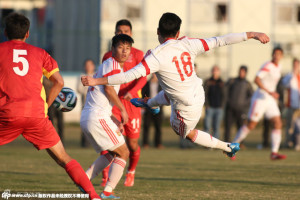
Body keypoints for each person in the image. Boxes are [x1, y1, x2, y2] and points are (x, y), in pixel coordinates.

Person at [82, 12, 270, 161]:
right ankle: (151, 103)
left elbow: (128, 76)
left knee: (185, 132)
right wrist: (253, 34)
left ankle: (228, 147)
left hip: (185, 108)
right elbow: (222, 40)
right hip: (198, 92)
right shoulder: (188, 43)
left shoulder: (155, 56)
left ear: (158, 32)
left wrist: (96, 80)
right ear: (178, 33)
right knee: (171, 90)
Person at [0, 13, 101, 200]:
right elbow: (59, 82)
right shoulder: (40, 53)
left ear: (5, 32)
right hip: (37, 115)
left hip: (8, 114)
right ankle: (93, 195)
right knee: (63, 157)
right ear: (28, 33)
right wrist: (45, 107)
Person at [80, 34, 133, 199]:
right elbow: (109, 90)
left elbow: (101, 97)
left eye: (127, 48)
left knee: (112, 153)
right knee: (124, 152)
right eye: (120, 47)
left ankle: (84, 181)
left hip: (90, 116)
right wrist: (122, 110)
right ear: (112, 49)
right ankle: (107, 192)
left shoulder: (107, 64)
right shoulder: (114, 65)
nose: (124, 51)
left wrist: (114, 118)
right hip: (96, 117)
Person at [100, 19, 146, 187]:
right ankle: (105, 177)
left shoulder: (139, 54)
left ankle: (131, 171)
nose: (122, 33)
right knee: (110, 139)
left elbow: (143, 77)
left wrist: (132, 92)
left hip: (132, 104)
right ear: (115, 33)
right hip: (114, 103)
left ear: (131, 33)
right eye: (119, 31)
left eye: (126, 31)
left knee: (133, 144)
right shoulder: (108, 55)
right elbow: (104, 79)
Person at [233, 47, 286, 160]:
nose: (277, 56)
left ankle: (274, 152)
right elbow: (256, 79)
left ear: (282, 56)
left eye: (279, 54)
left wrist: (273, 93)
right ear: (272, 55)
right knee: (251, 125)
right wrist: (270, 92)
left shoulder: (279, 67)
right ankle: (232, 146)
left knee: (278, 123)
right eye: (275, 54)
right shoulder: (267, 65)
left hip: (270, 100)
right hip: (260, 98)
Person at [224, 66, 253, 142]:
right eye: (240, 71)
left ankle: (240, 143)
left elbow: (251, 96)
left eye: (243, 72)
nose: (241, 73)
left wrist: (244, 103)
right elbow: (225, 91)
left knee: (240, 127)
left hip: (240, 109)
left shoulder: (247, 84)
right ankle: (227, 142)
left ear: (246, 73)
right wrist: (228, 101)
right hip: (230, 108)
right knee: (228, 127)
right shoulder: (232, 81)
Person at [77, 59, 96, 147]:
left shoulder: (96, 76)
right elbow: (79, 89)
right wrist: (90, 88)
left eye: (90, 65)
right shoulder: (82, 76)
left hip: (95, 105)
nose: (88, 67)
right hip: (85, 104)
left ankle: (95, 143)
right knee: (85, 123)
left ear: (93, 66)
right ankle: (84, 143)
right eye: (86, 65)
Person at [281, 58, 300, 148]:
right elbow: (284, 84)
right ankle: (288, 142)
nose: (296, 67)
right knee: (290, 126)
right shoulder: (289, 76)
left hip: (299, 106)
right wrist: (292, 75)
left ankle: (297, 143)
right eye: (294, 65)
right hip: (291, 105)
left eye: (297, 65)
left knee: (298, 125)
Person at [141, 74, 164, 149]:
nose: (155, 75)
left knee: (158, 126)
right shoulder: (147, 83)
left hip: (158, 107)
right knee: (146, 126)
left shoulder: (161, 84)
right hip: (148, 107)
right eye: (154, 74)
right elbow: (143, 94)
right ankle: (145, 143)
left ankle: (158, 144)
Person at [203, 65, 225, 139]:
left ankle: (215, 143)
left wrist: (222, 105)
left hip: (219, 108)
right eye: (214, 70)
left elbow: (225, 95)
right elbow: (204, 94)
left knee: (216, 127)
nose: (215, 72)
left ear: (219, 72)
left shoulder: (222, 82)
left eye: (216, 71)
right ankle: (206, 143)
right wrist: (207, 104)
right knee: (207, 126)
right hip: (210, 107)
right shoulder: (208, 82)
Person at [43, 76, 64, 143]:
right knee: (51, 122)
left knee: (60, 122)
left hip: (58, 101)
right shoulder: (44, 80)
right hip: (50, 102)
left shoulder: (58, 78)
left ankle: (61, 140)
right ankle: (51, 139)